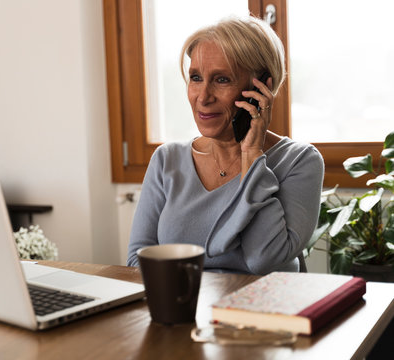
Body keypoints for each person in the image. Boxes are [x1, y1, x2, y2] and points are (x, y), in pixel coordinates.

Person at [127, 16, 324, 274]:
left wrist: (252, 156)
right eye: (196, 77)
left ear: (263, 88)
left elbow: (263, 261)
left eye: (222, 80)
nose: (203, 97)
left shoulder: (299, 161)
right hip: (183, 307)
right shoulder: (167, 160)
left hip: (262, 312)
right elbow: (136, 263)